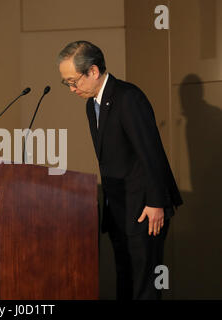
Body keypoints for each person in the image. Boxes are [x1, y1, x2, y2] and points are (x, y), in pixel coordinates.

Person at [57, 41, 182, 300]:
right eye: (66, 83)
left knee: (144, 287)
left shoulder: (128, 97)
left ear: (92, 71)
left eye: (73, 81)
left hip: (146, 209)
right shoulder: (91, 104)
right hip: (120, 209)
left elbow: (151, 152)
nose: (71, 89)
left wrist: (156, 202)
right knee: (125, 283)